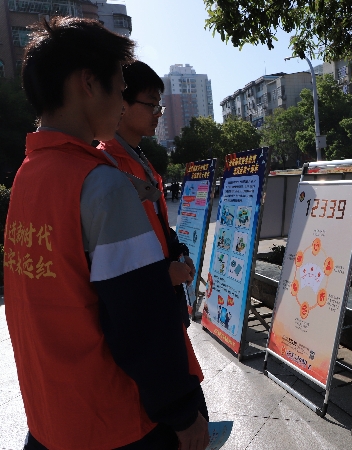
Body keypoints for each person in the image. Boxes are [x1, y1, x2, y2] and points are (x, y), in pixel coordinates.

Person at [4, 17, 209, 450]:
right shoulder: (100, 184)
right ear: (88, 83)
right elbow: (140, 317)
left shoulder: (27, 176)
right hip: (115, 422)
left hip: (51, 418)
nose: (120, 102)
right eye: (119, 88)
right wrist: (182, 412)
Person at [98, 60, 196, 324]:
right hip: (141, 311)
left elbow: (157, 224)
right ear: (122, 103)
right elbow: (111, 259)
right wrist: (163, 274)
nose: (158, 114)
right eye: (151, 105)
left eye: (159, 106)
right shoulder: (105, 166)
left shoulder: (141, 161)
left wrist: (179, 252)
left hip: (164, 298)